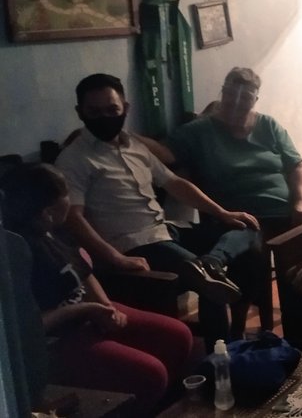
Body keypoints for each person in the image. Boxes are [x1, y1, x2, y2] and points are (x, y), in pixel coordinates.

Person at [55, 73, 262, 344]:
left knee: (247, 230)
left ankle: (214, 267)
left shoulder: (134, 145)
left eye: (111, 110)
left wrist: (222, 213)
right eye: (94, 112)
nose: (104, 117)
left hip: (164, 230)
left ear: (125, 109)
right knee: (209, 284)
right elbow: (73, 218)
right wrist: (116, 258)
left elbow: (173, 183)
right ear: (80, 112)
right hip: (132, 245)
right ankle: (220, 357)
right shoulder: (74, 159)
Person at [0, 163, 194, 415]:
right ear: (47, 212)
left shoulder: (52, 232)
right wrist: (87, 310)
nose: (71, 202)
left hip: (90, 312)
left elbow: (84, 272)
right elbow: (29, 328)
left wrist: (106, 307)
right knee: (151, 374)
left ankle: (162, 407)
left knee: (177, 336)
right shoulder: (15, 253)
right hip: (58, 338)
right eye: (66, 197)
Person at [165, 67, 302, 239]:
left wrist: (300, 203)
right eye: (231, 94)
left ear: (255, 100)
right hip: (239, 218)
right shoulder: (198, 131)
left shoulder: (268, 125)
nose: (236, 102)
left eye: (246, 97)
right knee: (245, 244)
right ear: (222, 93)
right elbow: (164, 152)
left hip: (285, 211)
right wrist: (134, 138)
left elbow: (297, 165)